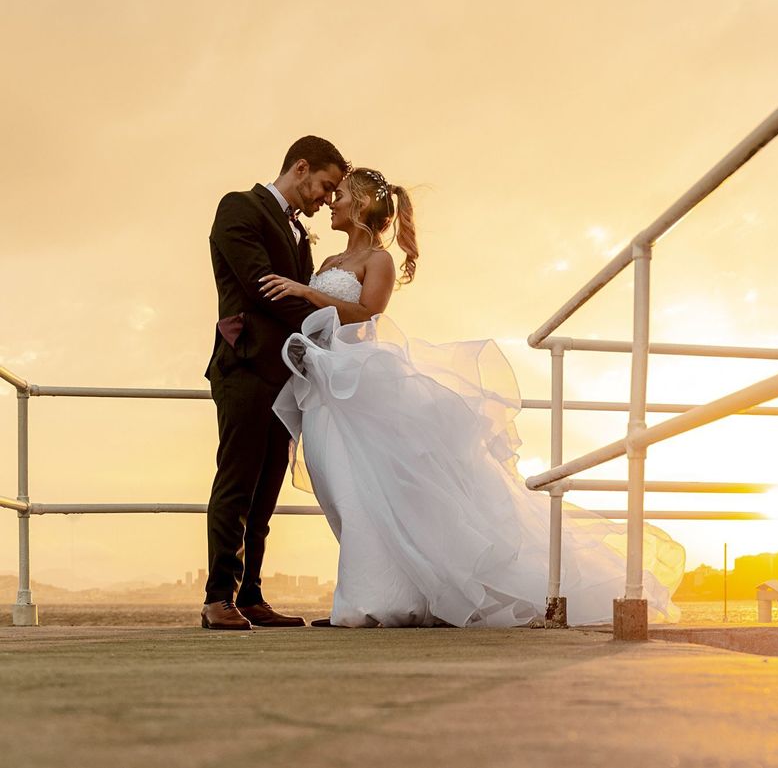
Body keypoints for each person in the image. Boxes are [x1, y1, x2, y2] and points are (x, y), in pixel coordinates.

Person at [264, 167, 685, 627]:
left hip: (361, 381)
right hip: (323, 383)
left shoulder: (378, 261)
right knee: (338, 486)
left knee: (363, 487)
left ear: (362, 204)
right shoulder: (326, 265)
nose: (332, 202)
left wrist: (306, 293)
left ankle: (368, 604)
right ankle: (373, 595)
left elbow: (368, 312)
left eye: (340, 195)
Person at [202, 136, 349, 630]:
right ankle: (217, 598)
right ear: (301, 168)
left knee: (266, 491)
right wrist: (330, 319)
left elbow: (294, 294)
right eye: (325, 187)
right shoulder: (239, 207)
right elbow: (262, 286)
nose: (326, 199)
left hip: (286, 376)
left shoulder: (300, 235)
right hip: (243, 367)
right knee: (237, 480)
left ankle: (251, 594)